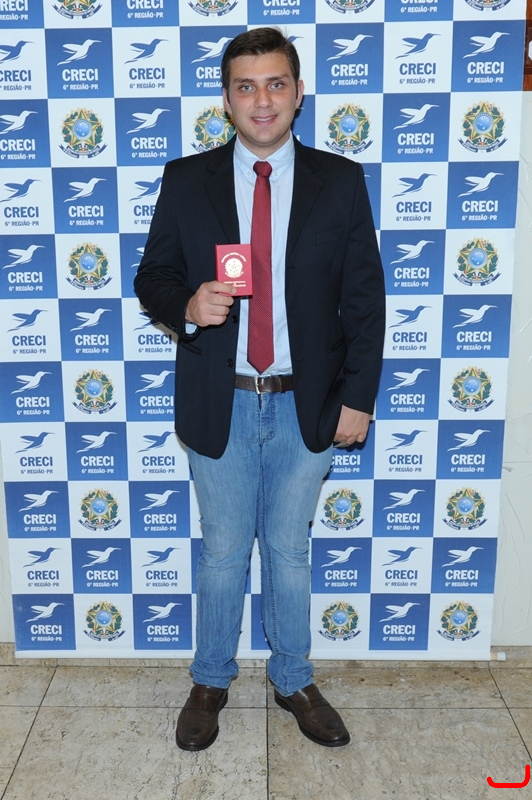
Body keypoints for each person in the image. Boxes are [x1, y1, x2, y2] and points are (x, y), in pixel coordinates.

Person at [134, 27, 385, 751]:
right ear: (227, 99)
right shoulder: (188, 179)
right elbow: (153, 276)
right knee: (221, 552)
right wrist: (188, 304)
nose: (262, 100)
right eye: (246, 87)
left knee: (289, 551)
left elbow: (364, 300)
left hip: (310, 402)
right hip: (223, 400)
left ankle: (293, 678)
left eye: (276, 84)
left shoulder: (341, 180)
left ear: (298, 93)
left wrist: (358, 398)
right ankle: (210, 678)